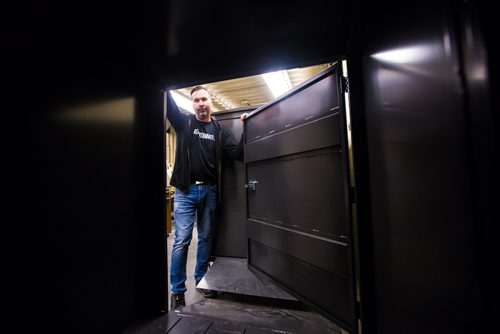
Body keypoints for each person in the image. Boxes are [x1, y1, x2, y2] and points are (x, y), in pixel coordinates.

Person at [166, 85, 248, 310]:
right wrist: (166, 81)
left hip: (210, 191)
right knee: (182, 240)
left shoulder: (219, 130)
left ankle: (202, 280)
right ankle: (177, 290)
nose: (201, 103)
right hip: (186, 191)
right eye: (196, 101)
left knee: (205, 238)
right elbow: (169, 104)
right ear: (192, 105)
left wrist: (247, 126)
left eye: (204, 99)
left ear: (210, 102)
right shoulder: (184, 123)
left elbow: (236, 154)